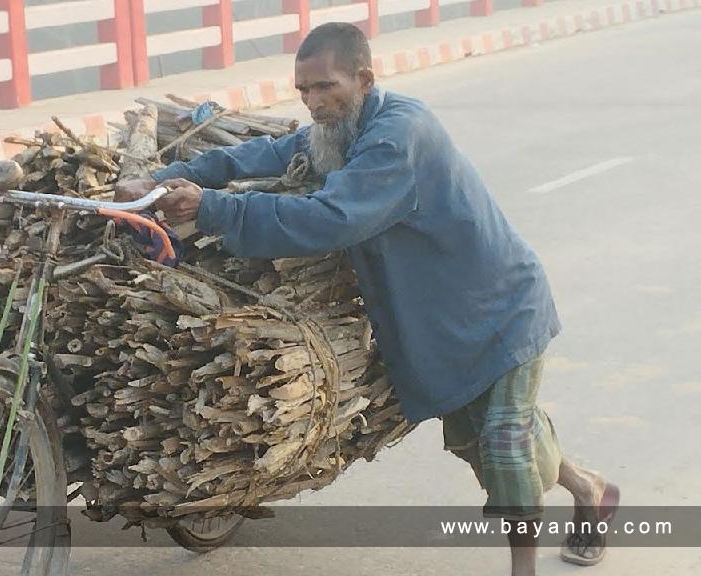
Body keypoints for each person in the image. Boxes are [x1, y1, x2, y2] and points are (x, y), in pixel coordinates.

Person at [115, 22, 619, 576]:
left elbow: (335, 218)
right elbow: (267, 152)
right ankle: (589, 486)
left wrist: (213, 209)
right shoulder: (340, 130)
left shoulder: (398, 135)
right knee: (492, 437)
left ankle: (523, 568)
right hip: (440, 318)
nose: (312, 102)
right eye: (304, 90)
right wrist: (170, 175)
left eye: (325, 87)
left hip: (498, 304)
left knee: (503, 442)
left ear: (364, 79)